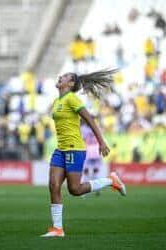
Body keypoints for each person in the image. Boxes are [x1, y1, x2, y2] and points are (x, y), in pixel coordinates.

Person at [41, 69, 126, 237]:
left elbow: (89, 119)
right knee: (53, 185)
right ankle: (58, 229)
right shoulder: (56, 101)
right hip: (60, 149)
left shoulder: (72, 98)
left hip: (75, 148)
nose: (60, 76)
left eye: (64, 77)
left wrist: (101, 141)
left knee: (75, 189)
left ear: (71, 84)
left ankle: (111, 180)